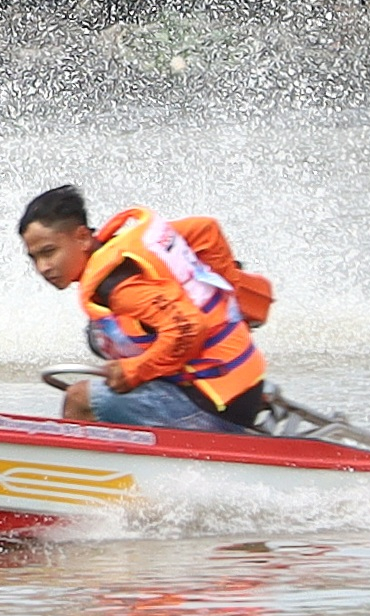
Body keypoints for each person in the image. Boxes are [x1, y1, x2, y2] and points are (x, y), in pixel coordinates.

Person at [14, 183, 273, 432]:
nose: (43, 267)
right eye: (34, 257)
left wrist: (134, 370)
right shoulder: (134, 245)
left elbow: (188, 328)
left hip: (217, 402)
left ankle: (82, 474)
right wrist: (226, 288)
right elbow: (206, 229)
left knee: (80, 399)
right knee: (100, 338)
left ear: (82, 237)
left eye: (49, 252)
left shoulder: (118, 286)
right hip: (243, 384)